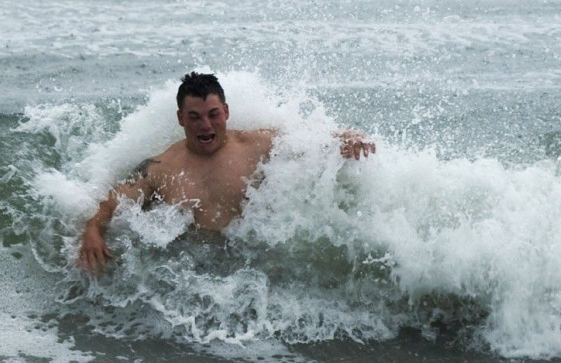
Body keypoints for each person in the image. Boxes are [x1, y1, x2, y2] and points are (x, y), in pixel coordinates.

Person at [78, 72, 375, 272]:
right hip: (189, 271)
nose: (205, 126)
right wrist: (92, 230)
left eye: (213, 115)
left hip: (254, 264)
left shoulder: (255, 145)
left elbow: (308, 138)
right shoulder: (161, 167)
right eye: (194, 117)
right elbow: (115, 201)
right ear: (181, 118)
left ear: (226, 112)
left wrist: (344, 139)